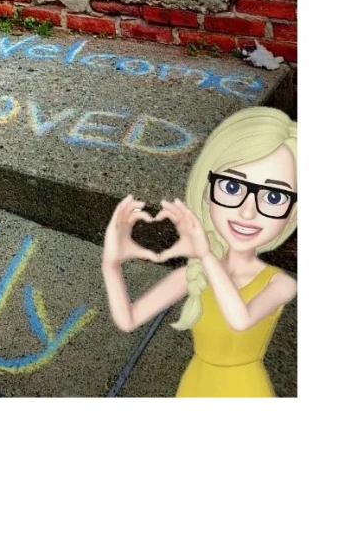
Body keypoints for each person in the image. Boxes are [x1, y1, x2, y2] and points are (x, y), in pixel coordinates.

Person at [101, 107, 300, 401]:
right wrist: (111, 265)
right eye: (232, 186)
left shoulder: (280, 283)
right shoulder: (192, 275)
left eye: (274, 197)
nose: (247, 211)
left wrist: (206, 257)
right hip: (193, 388)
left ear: (294, 214)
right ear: (207, 192)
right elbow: (128, 320)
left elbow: (241, 320)